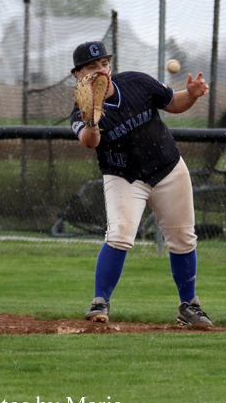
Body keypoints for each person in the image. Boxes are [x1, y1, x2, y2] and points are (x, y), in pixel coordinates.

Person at [70, 40, 212, 326]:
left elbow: (174, 102)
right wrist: (92, 121)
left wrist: (193, 95)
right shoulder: (81, 111)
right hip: (124, 177)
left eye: (104, 64)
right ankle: (100, 302)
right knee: (120, 235)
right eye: (91, 66)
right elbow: (89, 142)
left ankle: (189, 306)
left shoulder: (137, 82)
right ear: (78, 75)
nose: (100, 70)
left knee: (183, 238)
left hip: (167, 168)